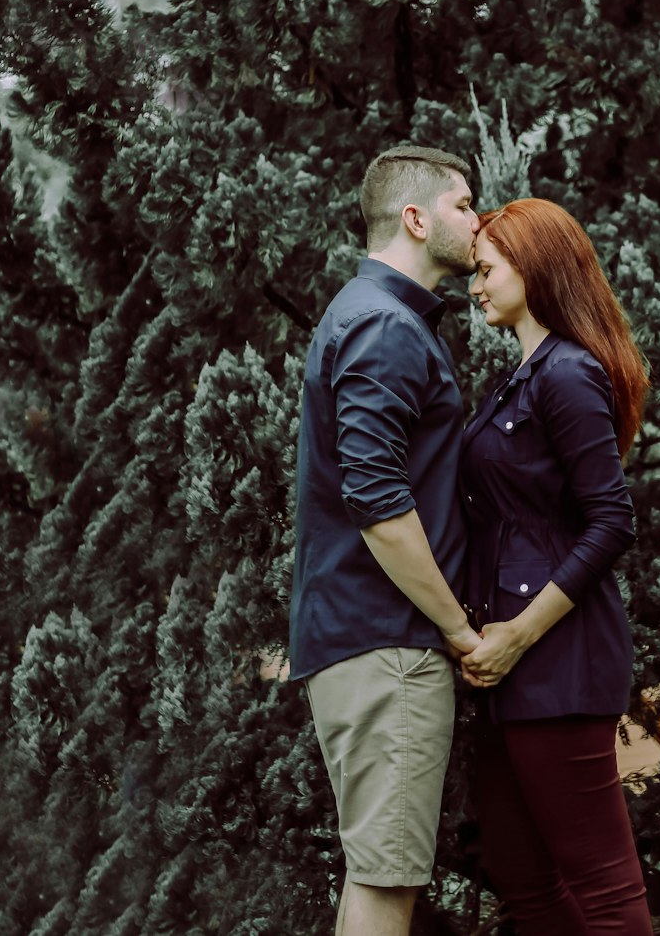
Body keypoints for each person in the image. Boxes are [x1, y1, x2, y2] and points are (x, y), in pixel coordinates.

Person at [289, 145, 484, 936]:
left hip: (366, 640)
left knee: (378, 874)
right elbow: (376, 504)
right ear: (415, 218)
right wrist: (459, 629)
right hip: (390, 646)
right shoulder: (384, 326)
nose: (479, 221)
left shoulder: (369, 316)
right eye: (464, 204)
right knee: (387, 881)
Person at [460, 198, 655, 936]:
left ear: (532, 267)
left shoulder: (568, 375)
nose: (475, 285)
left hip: (558, 662)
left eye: (485, 269)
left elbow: (612, 523)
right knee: (520, 873)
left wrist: (515, 635)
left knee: (604, 886)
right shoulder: (523, 375)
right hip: (511, 669)